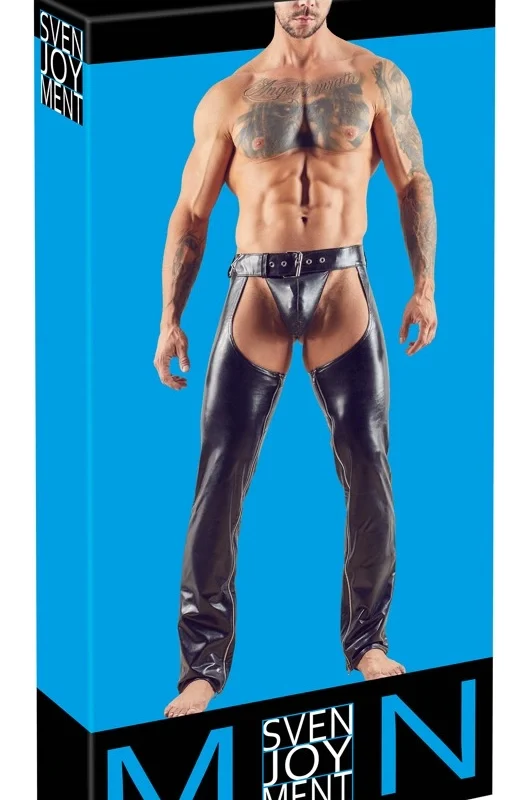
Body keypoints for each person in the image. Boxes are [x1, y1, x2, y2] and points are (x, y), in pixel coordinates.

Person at [154, 0, 437, 718]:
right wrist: (169, 318)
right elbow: (192, 212)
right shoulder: (231, 95)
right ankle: (201, 669)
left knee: (369, 461)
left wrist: (425, 286)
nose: (303, 2)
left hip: (343, 279)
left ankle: (368, 641)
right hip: (257, 283)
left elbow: (413, 182)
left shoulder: (376, 78)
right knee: (220, 472)